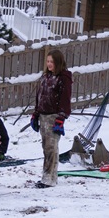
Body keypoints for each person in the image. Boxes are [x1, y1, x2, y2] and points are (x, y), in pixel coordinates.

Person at [30, 49, 72, 188]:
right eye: (47, 61)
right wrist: (35, 114)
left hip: (54, 116)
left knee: (51, 148)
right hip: (43, 115)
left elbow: (65, 99)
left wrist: (61, 117)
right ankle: (49, 177)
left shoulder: (63, 78)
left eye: (52, 62)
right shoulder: (45, 77)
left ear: (58, 62)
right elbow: (39, 96)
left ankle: (49, 179)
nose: (49, 64)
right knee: (46, 147)